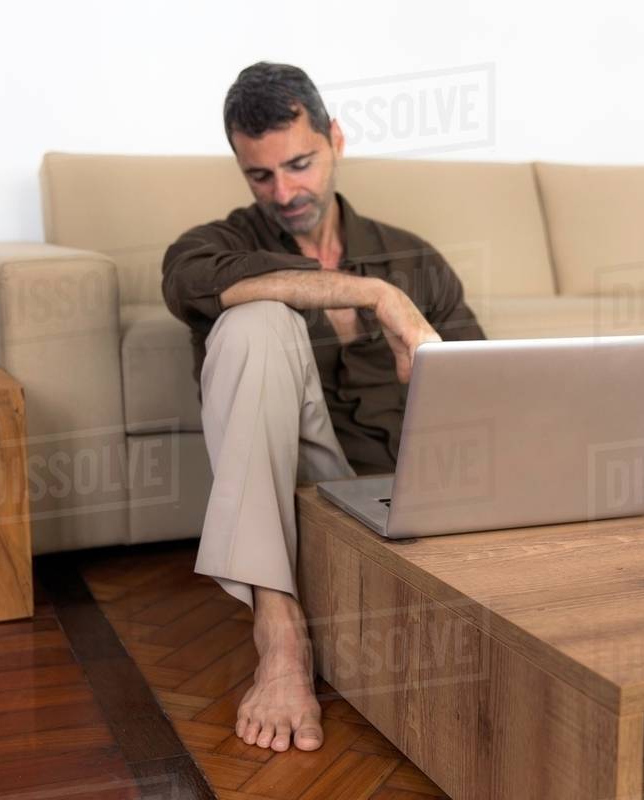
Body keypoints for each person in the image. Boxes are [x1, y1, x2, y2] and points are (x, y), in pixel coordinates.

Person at [161, 61, 485, 753]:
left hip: (407, 491)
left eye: (300, 164)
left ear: (335, 137)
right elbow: (187, 281)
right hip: (302, 490)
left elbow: (489, 392)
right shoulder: (220, 244)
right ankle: (279, 637)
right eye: (261, 175)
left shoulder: (414, 258)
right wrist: (370, 295)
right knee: (254, 319)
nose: (284, 192)